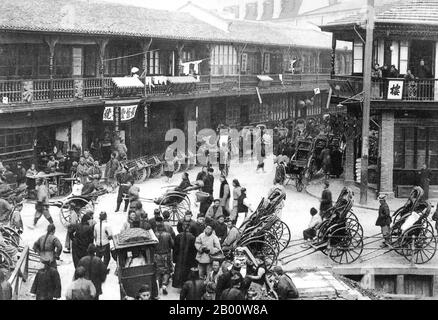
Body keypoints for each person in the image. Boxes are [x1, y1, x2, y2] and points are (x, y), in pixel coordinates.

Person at [155, 216, 174, 295]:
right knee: (166, 271)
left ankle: (158, 285)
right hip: (166, 255)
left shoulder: (154, 235)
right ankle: (164, 285)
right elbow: (172, 245)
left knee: (158, 271)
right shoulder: (168, 235)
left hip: (156, 255)